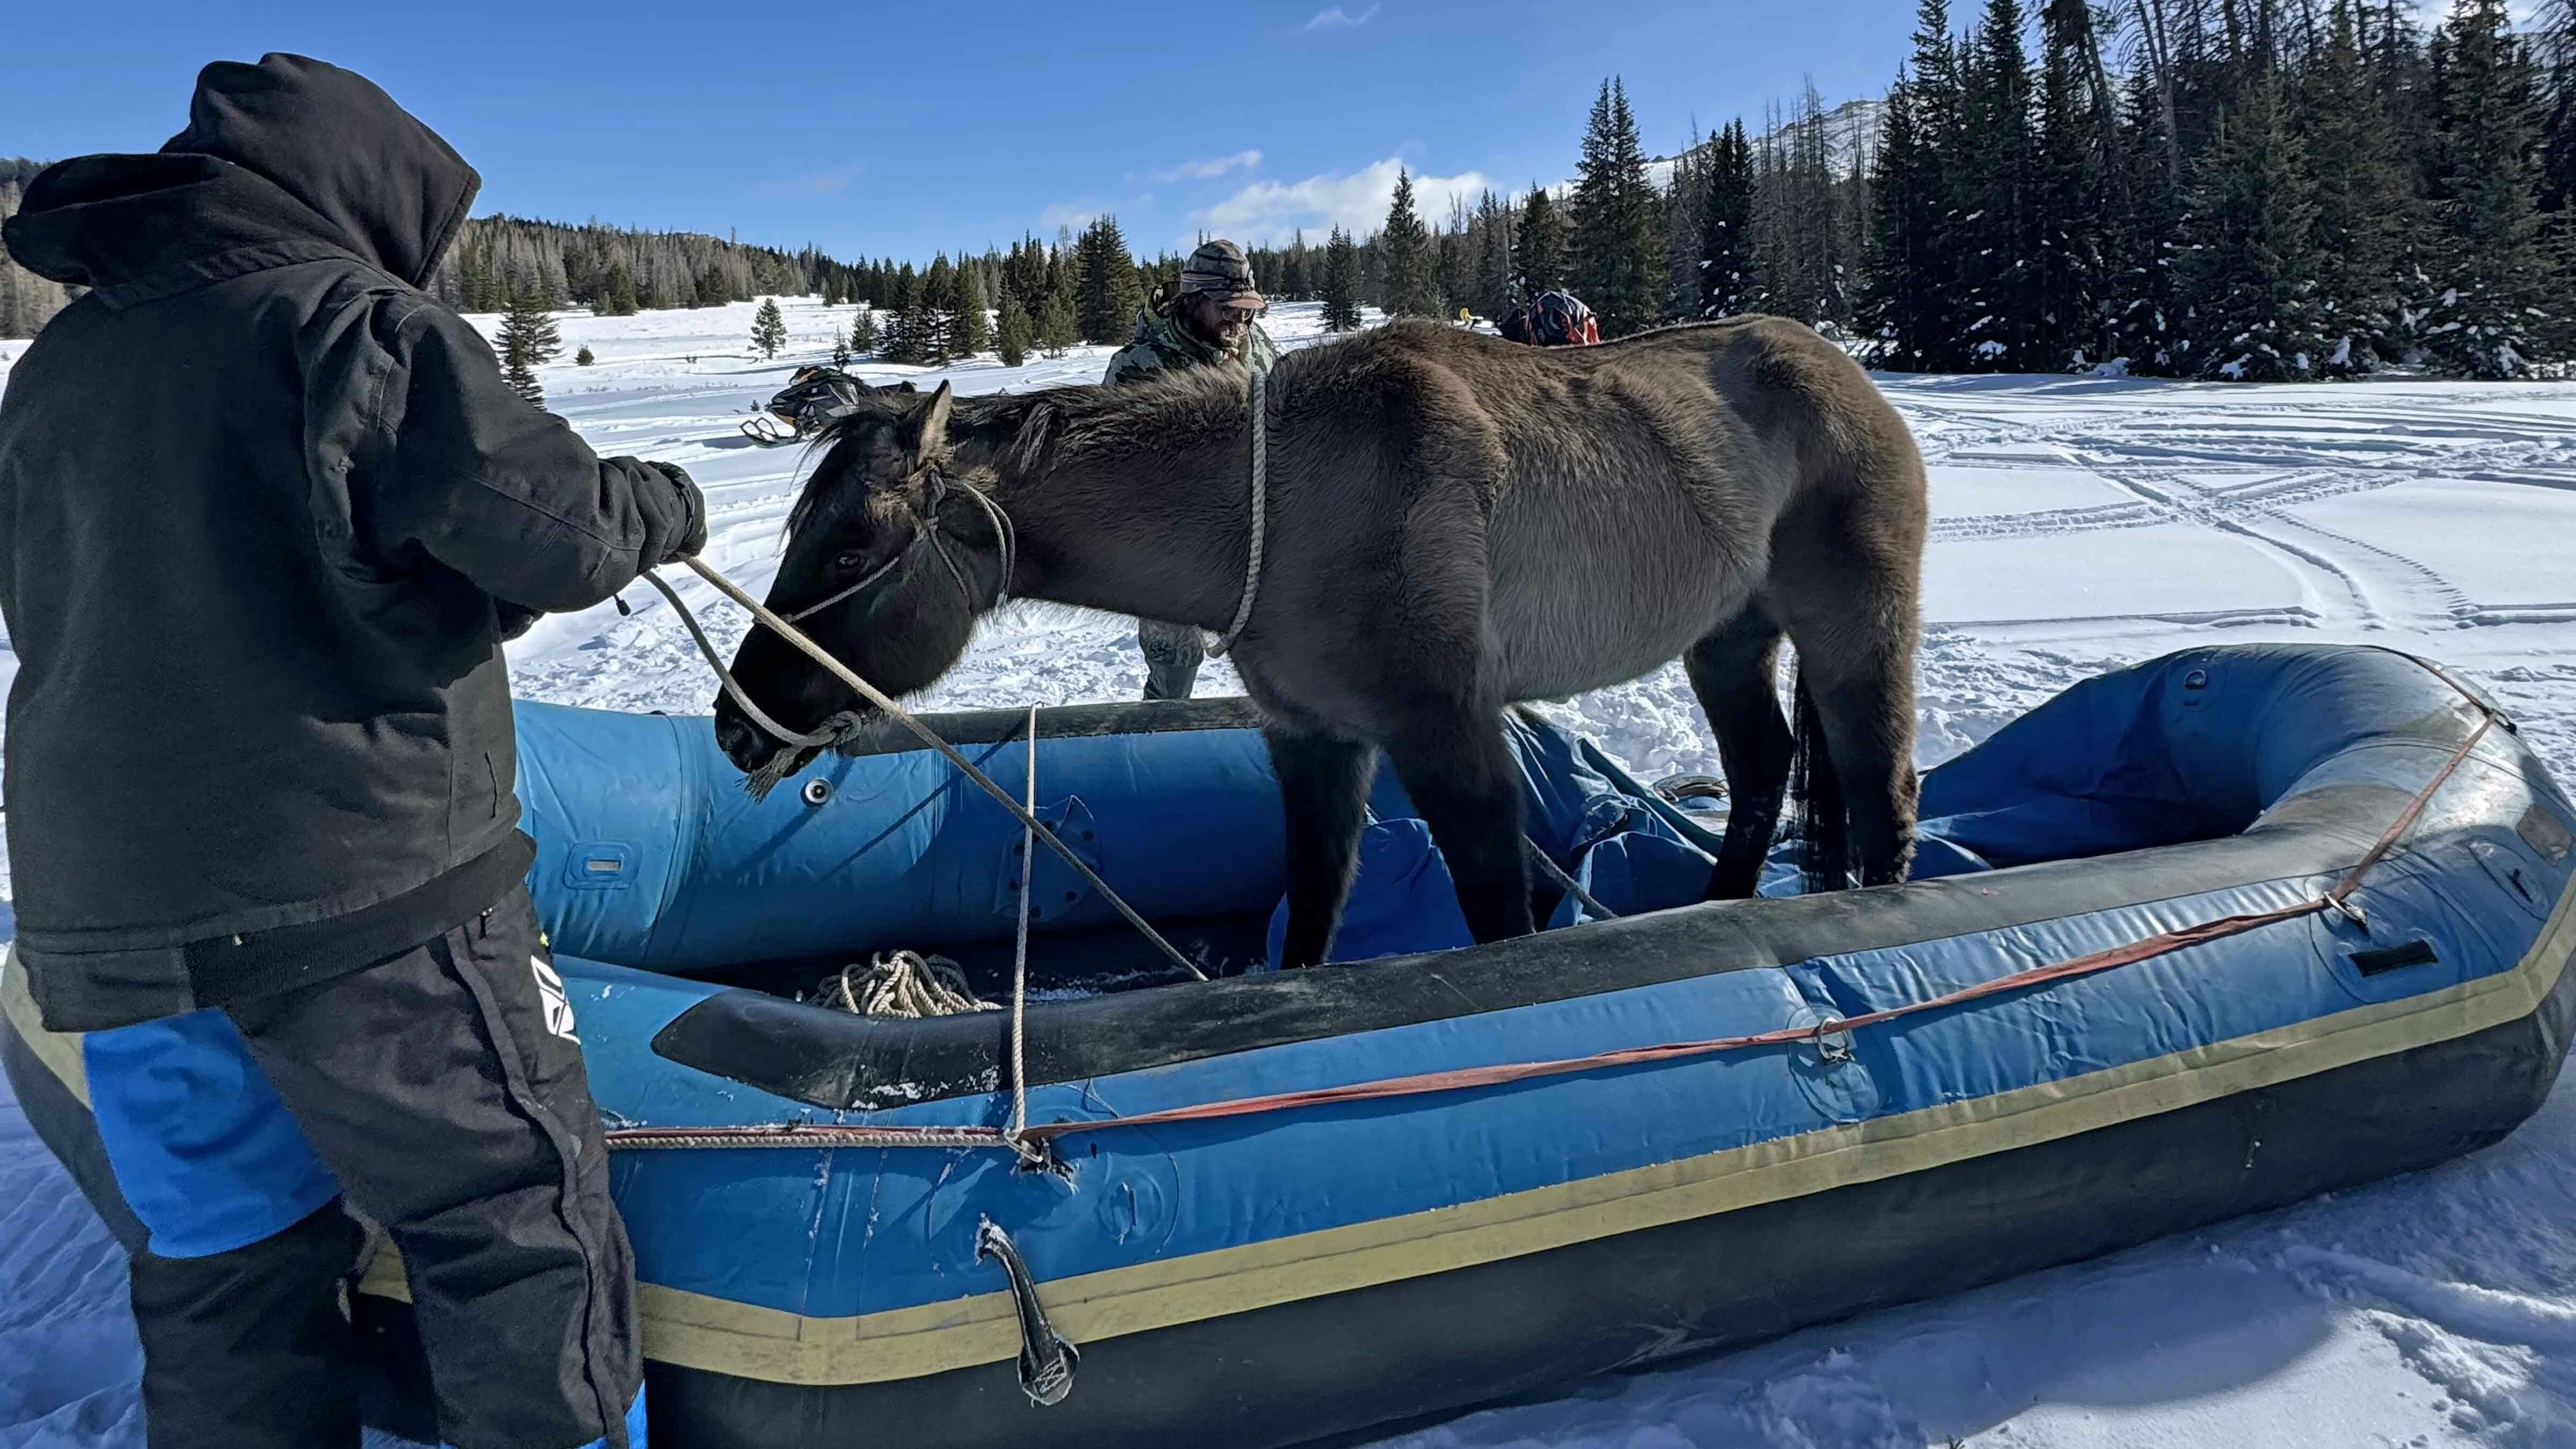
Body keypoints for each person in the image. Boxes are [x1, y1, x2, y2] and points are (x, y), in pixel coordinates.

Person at [0, 54, 705, 1449]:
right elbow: (552, 526)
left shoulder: (60, 366)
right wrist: (666, 504)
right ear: (366, 192)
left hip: (115, 920)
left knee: (222, 1277)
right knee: (519, 1231)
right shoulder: (353, 322)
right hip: (363, 892)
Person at [1101, 238, 1278, 701]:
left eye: (1248, 310)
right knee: (1174, 670)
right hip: (1171, 545)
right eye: (1227, 309)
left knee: (1283, 653)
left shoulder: (1257, 348)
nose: (1239, 321)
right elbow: (1115, 472)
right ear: (1194, 301)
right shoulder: (1138, 369)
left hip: (1253, 533)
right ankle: (1156, 745)